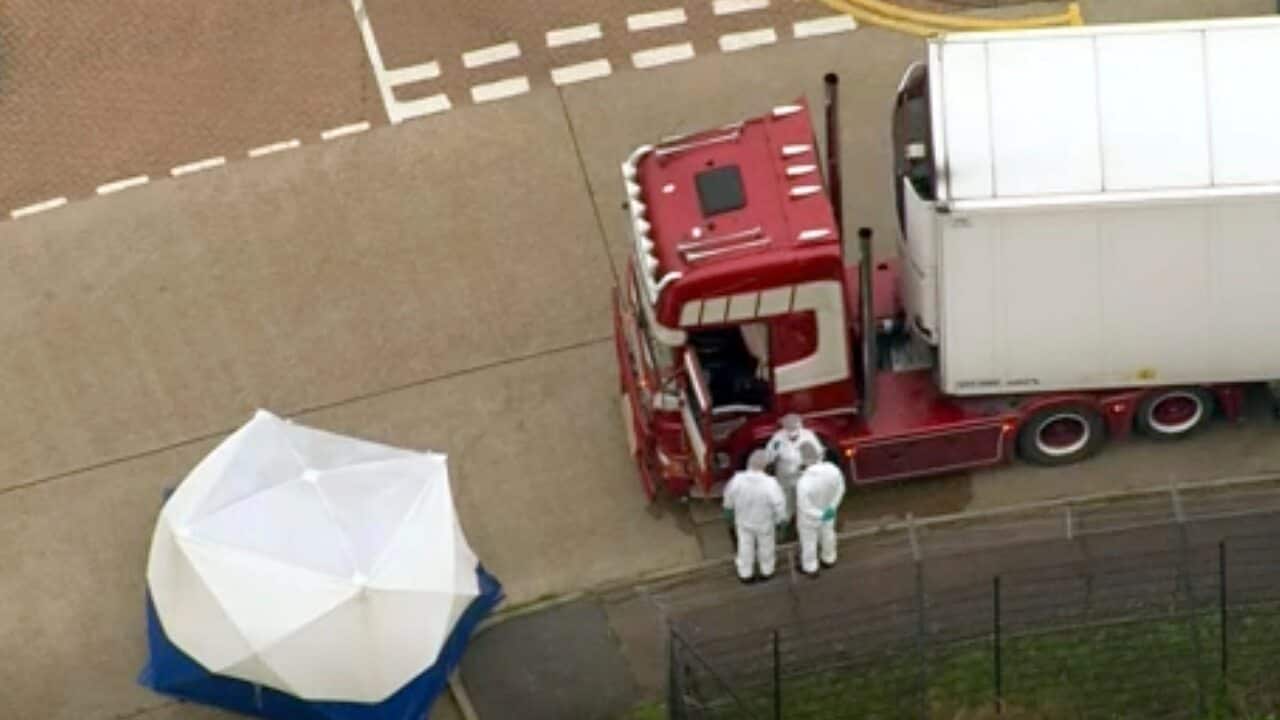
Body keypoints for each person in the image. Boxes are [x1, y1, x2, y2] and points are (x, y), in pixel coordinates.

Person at [722, 450, 786, 584]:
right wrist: (781, 521)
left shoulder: (737, 480)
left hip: (743, 522)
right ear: (765, 466)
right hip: (764, 523)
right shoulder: (770, 483)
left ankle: (745, 574)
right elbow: (779, 504)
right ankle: (766, 571)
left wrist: (729, 514)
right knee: (766, 547)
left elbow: (728, 499)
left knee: (745, 547)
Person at [794, 442, 846, 577]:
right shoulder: (833, 470)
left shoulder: (803, 482)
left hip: (809, 520)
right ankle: (829, 559)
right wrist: (832, 508)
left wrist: (820, 515)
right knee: (828, 535)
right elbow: (840, 489)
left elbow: (805, 507)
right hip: (829, 513)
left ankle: (810, 567)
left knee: (809, 542)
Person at [764, 414, 824, 526]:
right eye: (790, 434)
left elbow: (819, 453)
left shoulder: (808, 436)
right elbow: (769, 456)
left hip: (802, 475)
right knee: (785, 499)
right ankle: (785, 521)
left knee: (804, 498)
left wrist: (809, 465)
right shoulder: (778, 438)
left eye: (794, 434)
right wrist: (773, 452)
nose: (792, 437)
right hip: (784, 476)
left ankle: (806, 521)